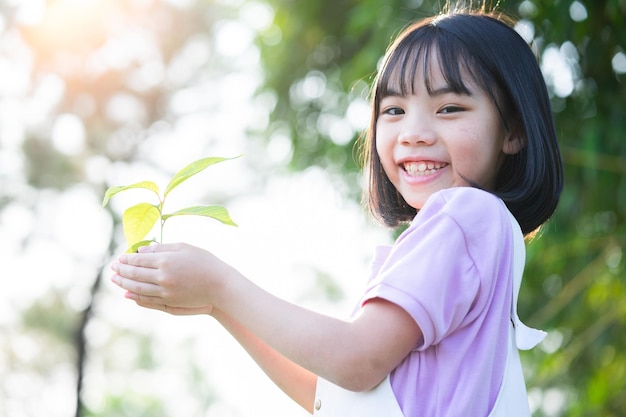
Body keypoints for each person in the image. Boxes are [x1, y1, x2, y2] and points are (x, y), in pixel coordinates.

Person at [110, 6, 563, 417]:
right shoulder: (474, 234)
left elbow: (356, 360)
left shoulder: (466, 214)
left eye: (448, 107)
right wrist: (218, 305)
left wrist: (222, 283)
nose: (414, 132)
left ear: (513, 131)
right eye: (394, 110)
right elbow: (330, 393)